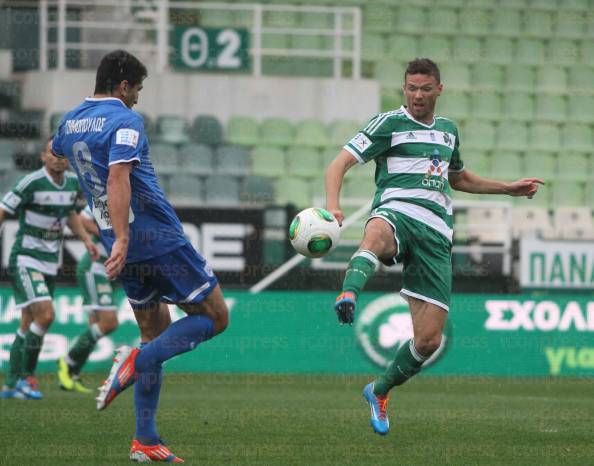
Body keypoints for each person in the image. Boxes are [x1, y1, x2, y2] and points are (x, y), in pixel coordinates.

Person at [325, 58, 544, 436]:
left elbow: (458, 178)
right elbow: (339, 164)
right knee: (376, 233)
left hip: (437, 232)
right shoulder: (389, 124)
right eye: (411, 88)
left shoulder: (447, 131)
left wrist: (508, 188)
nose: (418, 96)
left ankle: (379, 391)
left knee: (428, 340)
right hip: (396, 210)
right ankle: (348, 292)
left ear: (439, 89)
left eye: (425, 89)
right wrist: (332, 206)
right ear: (404, 89)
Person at [51, 49, 228, 463]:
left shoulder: (70, 120)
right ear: (124, 85)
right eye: (138, 89)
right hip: (154, 237)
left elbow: (55, 149)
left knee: (155, 331)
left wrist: (118, 240)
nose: (138, 99)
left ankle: (144, 440)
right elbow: (118, 175)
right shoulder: (126, 120)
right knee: (215, 317)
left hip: (118, 243)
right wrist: (127, 238)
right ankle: (136, 360)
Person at [0, 138, 98, 400]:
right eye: (53, 154)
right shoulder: (31, 182)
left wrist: (87, 240)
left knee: (28, 322)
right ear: (43, 156)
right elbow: (3, 208)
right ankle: (27, 377)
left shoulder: (72, 185)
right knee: (46, 315)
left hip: (50, 262)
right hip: (26, 258)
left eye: (63, 155)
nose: (58, 158)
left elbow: (71, 215)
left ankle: (11, 383)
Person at [57, 206, 118, 393]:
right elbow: (83, 219)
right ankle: (67, 361)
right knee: (109, 323)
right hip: (95, 268)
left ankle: (71, 374)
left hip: (110, 269)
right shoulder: (106, 196)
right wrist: (104, 234)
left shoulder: (139, 199)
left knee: (95, 325)